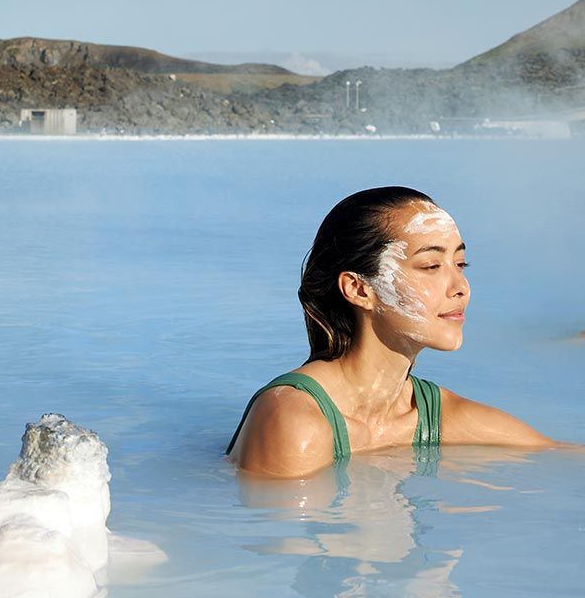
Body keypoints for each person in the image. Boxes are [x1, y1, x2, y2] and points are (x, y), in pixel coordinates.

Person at [229, 186, 553, 478]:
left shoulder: (435, 416)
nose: (461, 288)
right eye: (431, 266)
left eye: (461, 264)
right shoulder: (295, 421)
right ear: (359, 289)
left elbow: (569, 461)